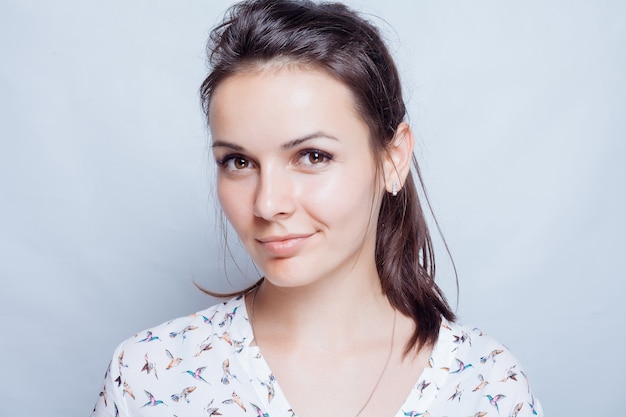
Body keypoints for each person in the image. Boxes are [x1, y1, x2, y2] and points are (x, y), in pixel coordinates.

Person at [91, 1, 543, 416]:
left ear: (393, 158)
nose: (268, 203)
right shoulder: (148, 376)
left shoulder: (486, 385)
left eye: (312, 156)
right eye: (239, 161)